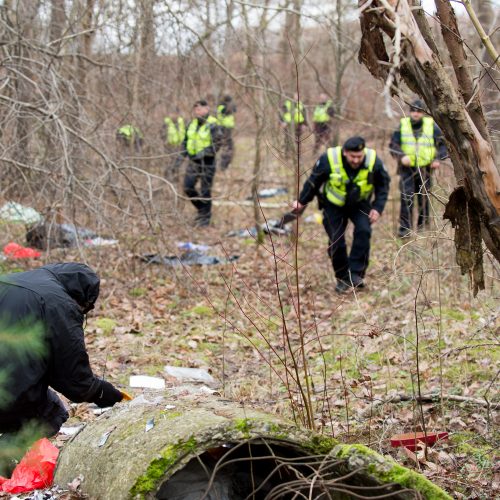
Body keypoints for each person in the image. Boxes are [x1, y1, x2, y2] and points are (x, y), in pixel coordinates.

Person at [0, 263, 125, 470]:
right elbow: (75, 382)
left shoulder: (11, 280)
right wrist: (104, 393)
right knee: (52, 412)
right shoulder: (58, 303)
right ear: (81, 298)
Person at [292, 136, 390, 294]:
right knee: (336, 240)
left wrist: (377, 208)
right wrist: (301, 201)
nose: (356, 160)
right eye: (353, 156)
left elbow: (383, 186)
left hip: (360, 204)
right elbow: (313, 182)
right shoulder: (329, 159)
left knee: (364, 232)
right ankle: (343, 277)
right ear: (345, 153)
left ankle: (356, 274)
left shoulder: (373, 161)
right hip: (333, 205)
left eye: (359, 156)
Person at [389, 99, 447, 237]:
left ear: (423, 113)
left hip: (426, 169)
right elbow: (393, 145)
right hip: (406, 169)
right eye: (413, 111)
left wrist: (438, 159)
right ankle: (405, 230)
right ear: (410, 112)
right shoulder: (402, 126)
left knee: (424, 198)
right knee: (406, 197)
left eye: (419, 111)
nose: (416, 114)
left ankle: (423, 228)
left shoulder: (431, 126)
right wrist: (402, 156)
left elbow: (443, 144)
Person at [182, 99, 223, 227]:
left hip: (208, 161)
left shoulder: (213, 124)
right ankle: (201, 209)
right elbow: (185, 142)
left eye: (199, 109)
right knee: (188, 187)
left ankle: (205, 218)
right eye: (195, 109)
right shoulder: (191, 124)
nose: (197, 112)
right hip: (193, 161)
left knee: (205, 190)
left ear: (207, 109)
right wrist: (179, 158)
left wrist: (204, 153)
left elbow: (217, 144)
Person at [280, 93, 307, 159]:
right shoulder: (287, 104)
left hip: (298, 124)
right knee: (288, 140)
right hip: (289, 125)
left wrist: (304, 124)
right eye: (295, 95)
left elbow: (304, 115)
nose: (296, 97)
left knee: (298, 141)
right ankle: (287, 156)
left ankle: (298, 156)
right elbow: (281, 113)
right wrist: (283, 122)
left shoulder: (300, 104)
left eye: (297, 95)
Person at [162, 110, 186, 182]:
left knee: (178, 162)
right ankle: (167, 177)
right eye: (172, 113)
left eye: (175, 113)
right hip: (169, 146)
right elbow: (162, 133)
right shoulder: (166, 122)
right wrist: (165, 141)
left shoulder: (181, 122)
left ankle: (176, 178)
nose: (174, 115)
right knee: (170, 162)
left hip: (179, 146)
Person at [216, 95, 236, 170]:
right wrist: (230, 106)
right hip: (223, 128)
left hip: (227, 128)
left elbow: (234, 110)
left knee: (227, 147)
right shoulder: (222, 106)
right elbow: (227, 111)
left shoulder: (225, 106)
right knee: (227, 147)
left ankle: (223, 165)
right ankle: (223, 166)